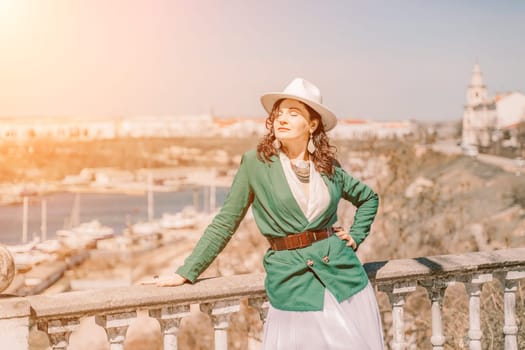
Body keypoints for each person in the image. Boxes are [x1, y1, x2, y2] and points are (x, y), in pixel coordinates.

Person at [152, 78, 385, 349]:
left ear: (312, 125)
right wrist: (187, 271)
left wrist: (356, 236)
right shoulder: (256, 164)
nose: (281, 119)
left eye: (293, 113)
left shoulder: (328, 167)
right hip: (292, 284)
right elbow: (226, 221)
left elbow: (368, 198)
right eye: (279, 113)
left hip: (345, 281)